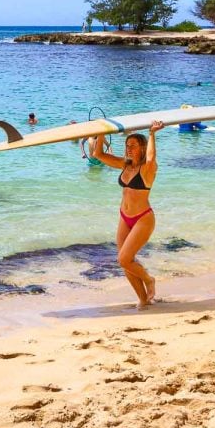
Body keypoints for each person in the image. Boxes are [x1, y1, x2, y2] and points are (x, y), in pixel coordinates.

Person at [92, 121, 164, 308]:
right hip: (124, 217)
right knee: (126, 263)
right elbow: (97, 154)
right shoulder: (124, 165)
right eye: (127, 145)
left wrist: (152, 134)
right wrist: (101, 133)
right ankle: (143, 300)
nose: (128, 149)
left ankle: (149, 280)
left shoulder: (147, 169)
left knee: (123, 258)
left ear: (142, 147)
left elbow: (151, 158)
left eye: (133, 146)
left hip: (143, 218)